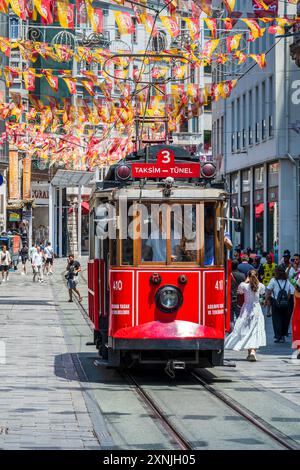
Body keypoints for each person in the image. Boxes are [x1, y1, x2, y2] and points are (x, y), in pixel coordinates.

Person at [225, 270, 266, 362]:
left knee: (247, 330)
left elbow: (239, 292)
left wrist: (246, 281)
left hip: (246, 309)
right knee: (255, 330)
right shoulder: (260, 286)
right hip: (257, 310)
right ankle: (252, 352)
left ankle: (250, 352)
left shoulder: (244, 285)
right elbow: (263, 292)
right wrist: (257, 281)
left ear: (247, 276)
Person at [265, 266, 292, 343]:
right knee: (284, 319)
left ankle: (278, 336)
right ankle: (283, 335)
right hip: (285, 302)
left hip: (275, 302)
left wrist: (266, 300)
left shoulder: (273, 280)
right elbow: (290, 292)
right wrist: (287, 300)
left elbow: (269, 291)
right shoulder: (287, 281)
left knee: (276, 319)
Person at [230, 260, 246, 328]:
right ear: (237, 266)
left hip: (230, 297)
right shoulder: (242, 275)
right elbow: (245, 287)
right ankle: (238, 329)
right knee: (239, 315)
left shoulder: (228, 275)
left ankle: (231, 330)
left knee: (230, 317)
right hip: (239, 297)